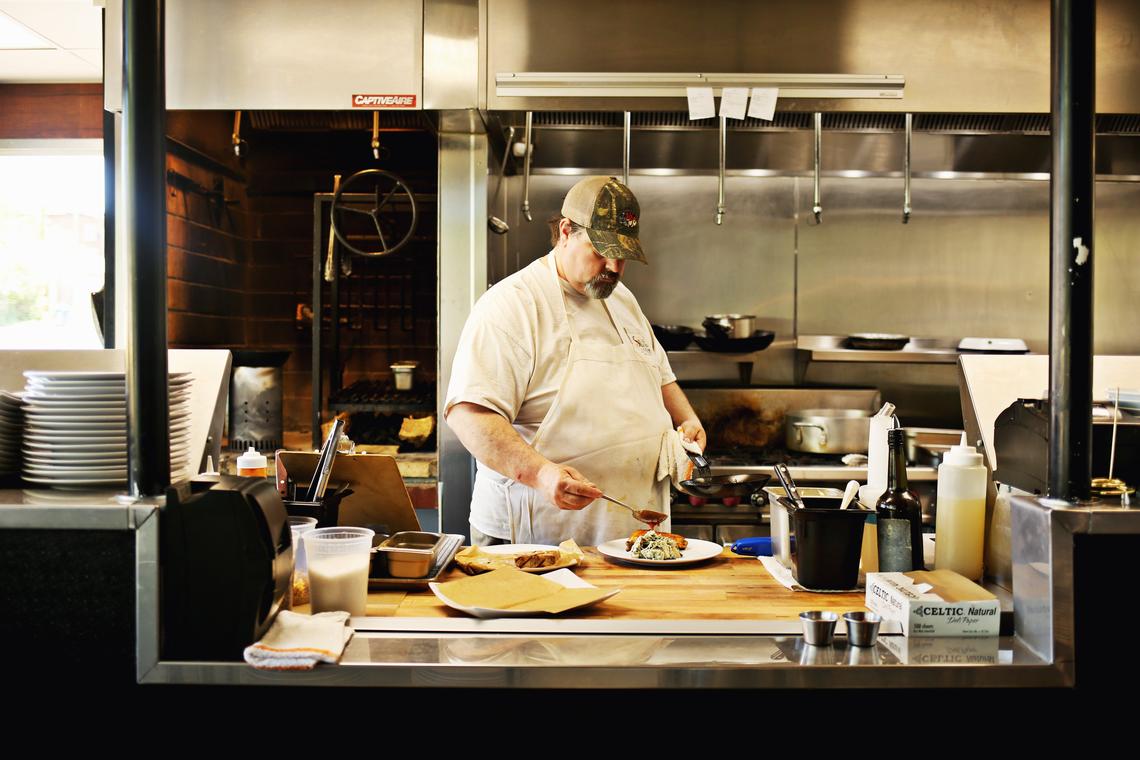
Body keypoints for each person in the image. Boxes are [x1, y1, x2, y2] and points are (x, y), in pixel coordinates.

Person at [444, 176, 706, 546]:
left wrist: (687, 420)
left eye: (623, 254)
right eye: (601, 251)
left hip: (626, 532)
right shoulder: (513, 305)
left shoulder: (622, 300)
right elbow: (469, 415)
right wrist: (541, 475)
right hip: (536, 534)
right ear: (566, 231)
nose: (614, 267)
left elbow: (659, 374)